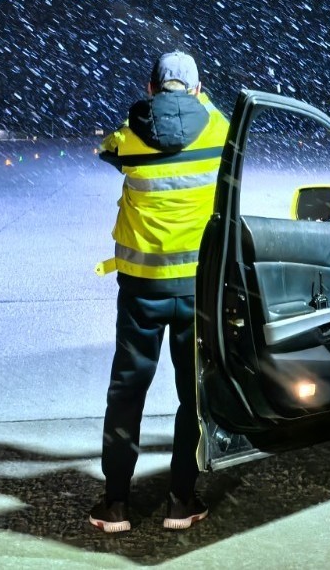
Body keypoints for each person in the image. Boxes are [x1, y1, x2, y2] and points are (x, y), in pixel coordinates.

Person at [88, 50, 229, 534]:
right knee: (193, 394)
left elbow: (106, 150)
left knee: (127, 390)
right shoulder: (219, 129)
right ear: (197, 89)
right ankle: (181, 499)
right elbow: (223, 128)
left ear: (150, 89)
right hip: (196, 290)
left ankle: (115, 502)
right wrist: (200, 104)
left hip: (141, 287)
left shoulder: (129, 136)